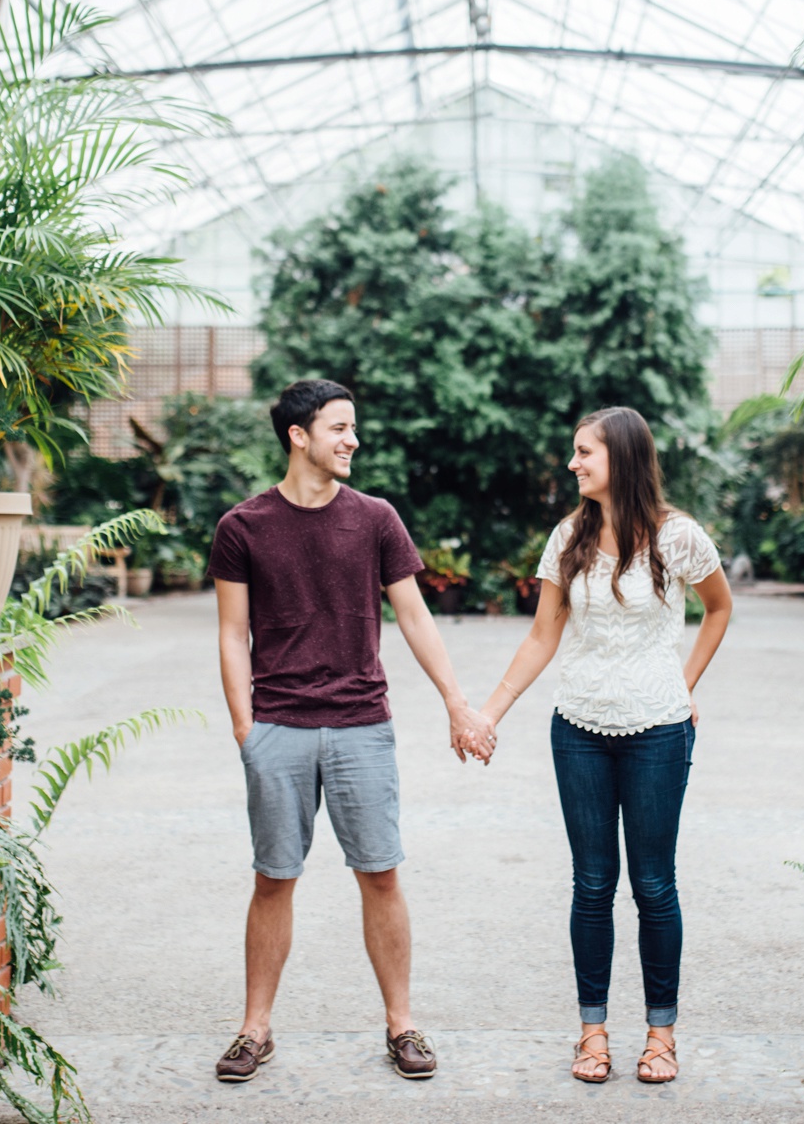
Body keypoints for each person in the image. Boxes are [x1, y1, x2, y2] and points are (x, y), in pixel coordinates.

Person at [208, 378, 494, 1084]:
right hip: (278, 724)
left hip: (363, 723)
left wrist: (458, 702)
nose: (353, 440)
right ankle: (255, 1027)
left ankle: (401, 1023)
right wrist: (246, 727)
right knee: (273, 877)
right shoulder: (242, 526)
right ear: (298, 435)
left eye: (354, 427)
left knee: (381, 873)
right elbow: (230, 632)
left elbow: (416, 616)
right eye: (339, 428)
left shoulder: (375, 519)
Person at [473, 406, 733, 1085]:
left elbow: (720, 606)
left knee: (653, 885)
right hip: (579, 728)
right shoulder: (567, 536)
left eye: (583, 451)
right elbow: (541, 636)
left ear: (620, 454)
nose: (573, 462)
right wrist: (489, 712)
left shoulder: (678, 537)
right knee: (592, 885)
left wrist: (683, 682)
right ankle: (592, 1034)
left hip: (659, 730)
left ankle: (661, 1036)